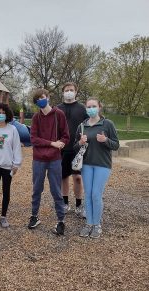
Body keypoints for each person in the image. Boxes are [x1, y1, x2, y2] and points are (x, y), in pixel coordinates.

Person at [74, 97, 119, 239]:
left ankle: (97, 225)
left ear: (99, 107)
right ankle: (88, 223)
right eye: (88, 106)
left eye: (93, 106)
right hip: (86, 164)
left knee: (95, 194)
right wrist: (80, 142)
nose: (91, 109)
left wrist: (105, 140)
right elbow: (75, 147)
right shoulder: (82, 126)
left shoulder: (107, 124)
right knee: (88, 194)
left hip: (102, 165)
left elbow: (116, 145)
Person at [28, 88, 70, 235]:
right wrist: (52, 143)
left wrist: (61, 143)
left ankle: (61, 221)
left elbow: (66, 136)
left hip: (54, 159)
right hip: (39, 159)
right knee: (37, 189)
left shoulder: (59, 114)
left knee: (56, 190)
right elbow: (34, 139)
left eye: (43, 97)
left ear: (48, 97)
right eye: (38, 99)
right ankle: (34, 216)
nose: (41, 100)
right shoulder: (35, 117)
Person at [57, 82, 88, 216]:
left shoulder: (82, 108)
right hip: (62, 148)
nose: (69, 92)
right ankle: (64, 203)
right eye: (66, 90)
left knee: (77, 177)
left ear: (76, 92)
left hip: (77, 148)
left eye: (71, 90)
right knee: (63, 177)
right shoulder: (57, 108)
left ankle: (79, 205)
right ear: (63, 92)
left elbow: (89, 125)